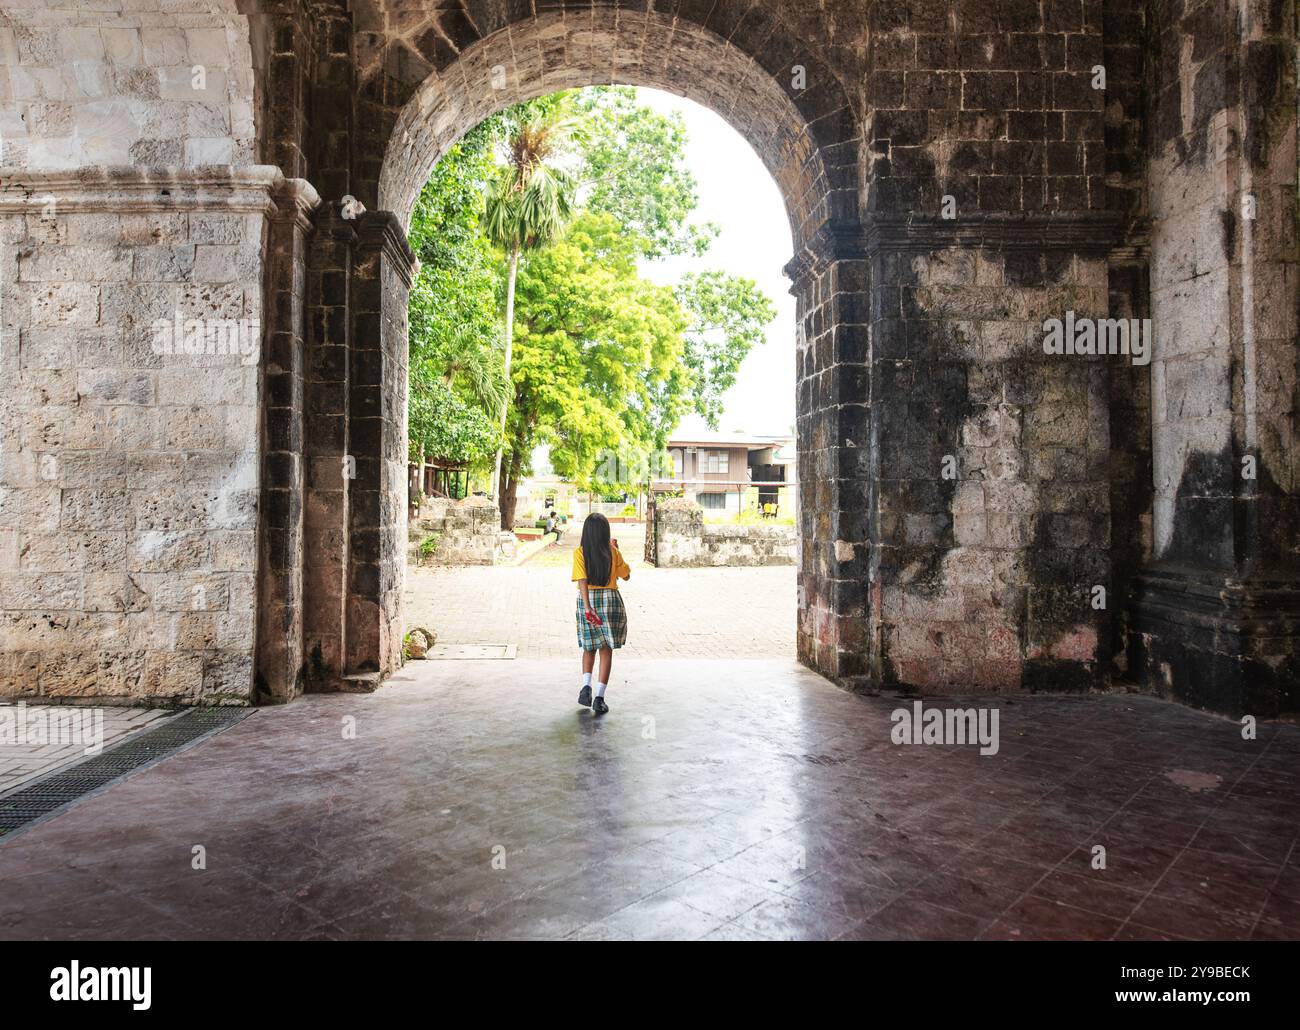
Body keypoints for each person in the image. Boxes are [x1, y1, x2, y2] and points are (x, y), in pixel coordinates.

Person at [572, 512, 630, 715]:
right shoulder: (612, 552)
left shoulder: (580, 552)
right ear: (606, 532)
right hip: (610, 601)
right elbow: (627, 576)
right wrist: (616, 551)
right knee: (606, 650)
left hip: (588, 600)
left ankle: (585, 686)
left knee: (589, 647)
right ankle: (599, 698)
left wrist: (587, 608)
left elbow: (582, 580)